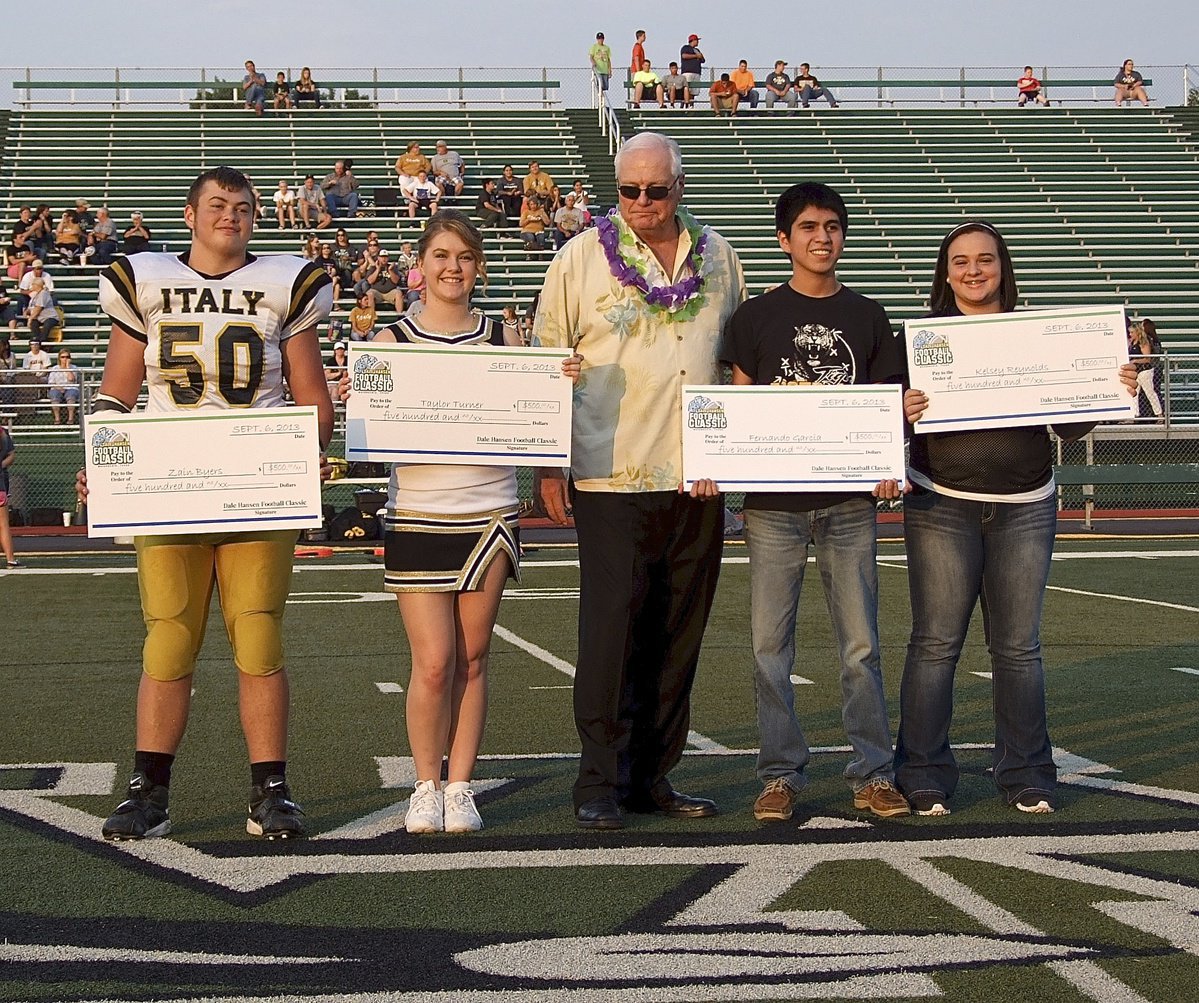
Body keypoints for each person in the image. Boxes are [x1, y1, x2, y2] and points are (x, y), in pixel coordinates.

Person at [88, 165, 334, 841]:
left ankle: (271, 787)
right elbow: (117, 391)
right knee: (168, 638)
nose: (233, 214)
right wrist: (102, 462)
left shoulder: (286, 283)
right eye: (219, 204)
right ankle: (148, 789)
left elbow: (315, 400)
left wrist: (302, 441)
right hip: (173, 489)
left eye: (245, 206)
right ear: (190, 214)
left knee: (257, 631)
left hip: (255, 489)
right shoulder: (146, 279)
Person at [534, 132, 747, 830]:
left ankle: (654, 775)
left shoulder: (721, 258)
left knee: (678, 631)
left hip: (700, 477)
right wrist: (547, 459)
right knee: (609, 631)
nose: (643, 203)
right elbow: (543, 363)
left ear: (680, 188)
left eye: (657, 190)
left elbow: (738, 361)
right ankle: (598, 778)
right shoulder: (577, 258)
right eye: (630, 190)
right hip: (610, 469)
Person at [895, 221, 1138, 817]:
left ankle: (1026, 771)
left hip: (1027, 505)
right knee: (935, 644)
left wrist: (1110, 387)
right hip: (941, 502)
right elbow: (893, 426)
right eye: (960, 261)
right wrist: (900, 411)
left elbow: (1071, 426)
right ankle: (922, 772)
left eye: (985, 260)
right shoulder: (921, 340)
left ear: (1004, 267)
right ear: (944, 272)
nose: (973, 271)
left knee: (1018, 648)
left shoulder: (1039, 337)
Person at [349, 210, 579, 835]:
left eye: (466, 257)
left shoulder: (505, 340)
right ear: (419, 266)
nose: (454, 267)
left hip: (490, 512)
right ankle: (425, 782)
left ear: (478, 266)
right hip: (420, 515)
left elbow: (537, 416)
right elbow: (368, 441)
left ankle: (460, 786)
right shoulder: (390, 343)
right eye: (442, 256)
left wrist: (558, 383)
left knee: (473, 657)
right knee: (432, 661)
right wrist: (361, 401)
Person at [718, 182, 909, 823]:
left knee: (860, 646)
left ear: (843, 234)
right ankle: (779, 774)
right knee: (770, 649)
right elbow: (739, 412)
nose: (821, 237)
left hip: (851, 504)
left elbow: (888, 411)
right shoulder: (754, 319)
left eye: (832, 225)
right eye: (807, 226)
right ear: (784, 238)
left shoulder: (869, 316)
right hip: (773, 507)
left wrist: (888, 465)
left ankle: (873, 773)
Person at [1129, 319, 1164, 420]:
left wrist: (1135, 361)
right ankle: (1135, 415)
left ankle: (1159, 414)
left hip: (1144, 371)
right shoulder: (1132, 343)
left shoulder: (1143, 342)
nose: (1130, 334)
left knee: (1150, 393)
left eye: (1132, 332)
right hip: (1136, 372)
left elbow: (1147, 359)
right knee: (1134, 393)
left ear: (1137, 332)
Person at [0, 425, 19, 568]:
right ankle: (10, 558)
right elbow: (11, 455)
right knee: (3, 524)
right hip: (0, 484)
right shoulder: (4, 434)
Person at [46, 346, 80, 424]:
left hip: (71, 387)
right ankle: (57, 419)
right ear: (59, 358)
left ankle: (71, 419)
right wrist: (58, 387)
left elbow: (71, 379)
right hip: (57, 388)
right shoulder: (55, 368)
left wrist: (68, 367)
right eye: (63, 357)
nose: (65, 359)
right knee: (54, 394)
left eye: (67, 357)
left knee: (71, 395)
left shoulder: (74, 368)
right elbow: (51, 382)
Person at [679, 34, 704, 106]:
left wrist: (700, 56)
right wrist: (696, 56)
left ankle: (691, 105)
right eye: (696, 40)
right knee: (687, 89)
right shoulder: (686, 47)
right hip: (688, 72)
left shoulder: (697, 50)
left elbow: (703, 60)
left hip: (696, 72)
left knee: (694, 91)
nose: (698, 42)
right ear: (692, 41)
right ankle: (685, 105)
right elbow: (684, 56)